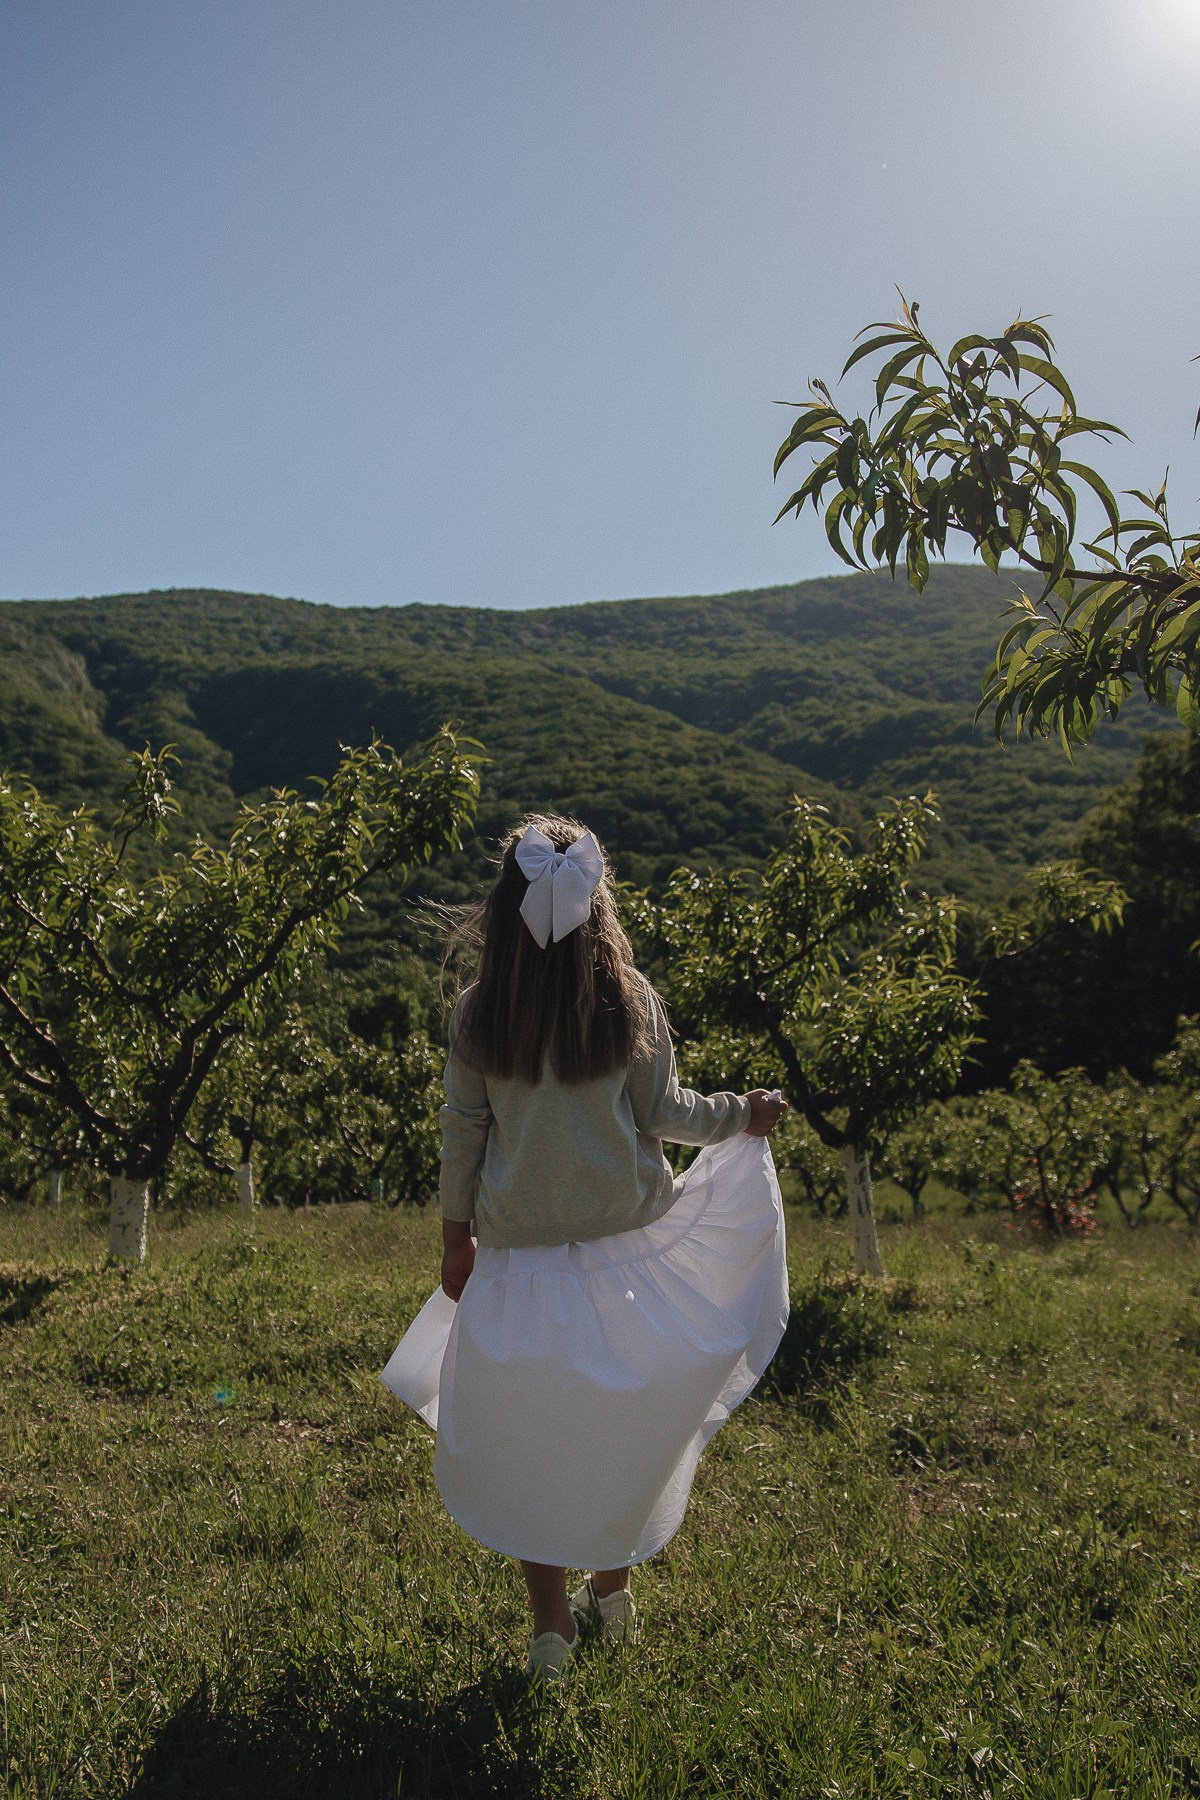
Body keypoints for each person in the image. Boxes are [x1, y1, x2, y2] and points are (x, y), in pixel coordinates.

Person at [381, 814, 789, 1682]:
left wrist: (455, 1243)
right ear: (599, 904)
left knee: (535, 1437)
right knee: (614, 1425)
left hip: (519, 1265)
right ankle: (615, 1591)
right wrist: (742, 1117)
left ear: (501, 907)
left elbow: (463, 1136)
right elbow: (666, 1113)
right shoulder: (628, 1001)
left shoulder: (478, 1014)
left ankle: (550, 1626)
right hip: (626, 1259)